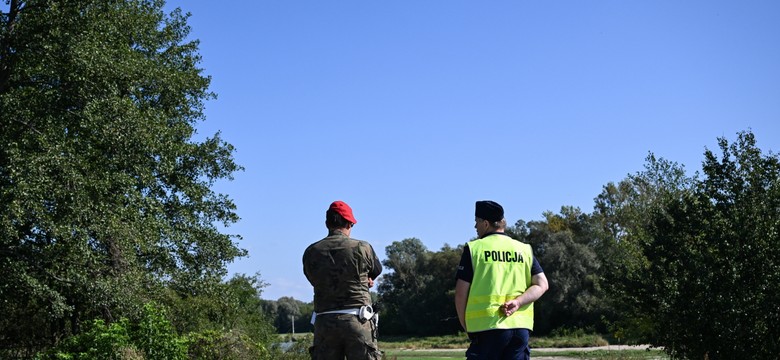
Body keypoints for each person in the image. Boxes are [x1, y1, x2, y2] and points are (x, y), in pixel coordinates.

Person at [455, 200, 549, 360]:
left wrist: (466, 325)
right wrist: (518, 302)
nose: (475, 227)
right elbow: (542, 284)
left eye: (476, 222)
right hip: (520, 329)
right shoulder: (523, 249)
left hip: (487, 328)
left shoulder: (474, 249)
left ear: (485, 223)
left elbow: (460, 293)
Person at [303, 200, 383, 360]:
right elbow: (377, 269)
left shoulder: (311, 251)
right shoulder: (362, 247)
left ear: (327, 223)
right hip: (358, 322)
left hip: (324, 324)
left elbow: (313, 279)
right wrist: (366, 278)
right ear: (348, 223)